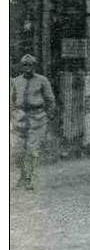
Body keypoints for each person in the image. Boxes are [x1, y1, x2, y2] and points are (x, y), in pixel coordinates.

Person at [10, 54, 56, 190]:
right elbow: (10, 100)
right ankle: (23, 176)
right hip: (19, 119)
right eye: (25, 65)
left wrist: (48, 115)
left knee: (32, 150)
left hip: (37, 119)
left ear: (35, 66)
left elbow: (50, 99)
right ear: (21, 66)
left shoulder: (42, 80)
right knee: (17, 150)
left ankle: (29, 179)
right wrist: (11, 114)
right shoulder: (15, 81)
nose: (28, 68)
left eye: (31, 65)